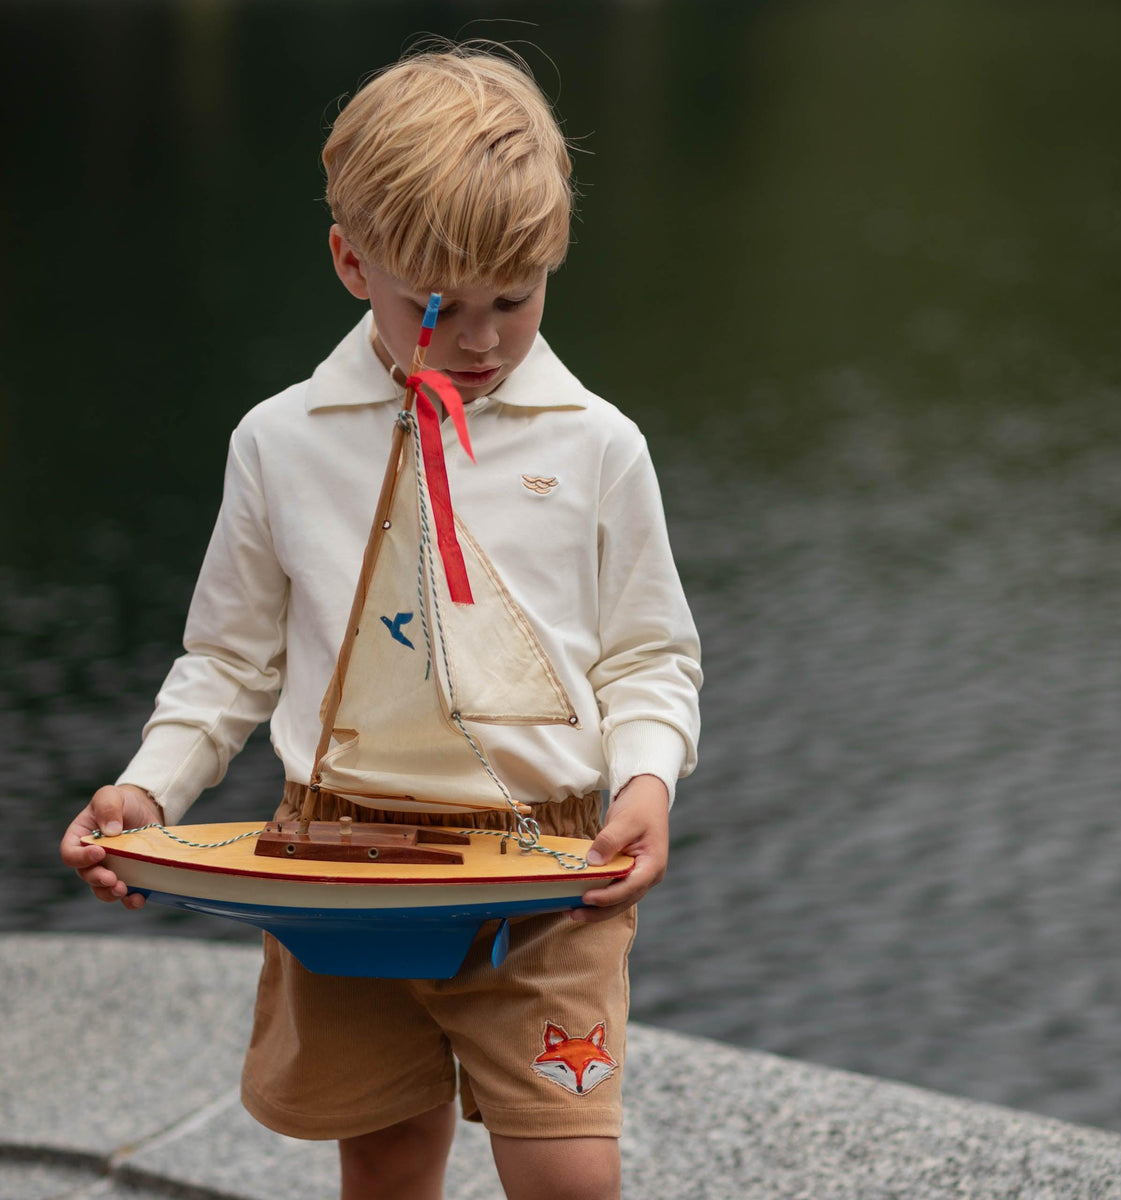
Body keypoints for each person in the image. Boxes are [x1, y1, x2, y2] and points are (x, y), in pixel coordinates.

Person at [60, 44, 700, 1200]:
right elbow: (228, 659)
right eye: (441, 308)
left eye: (518, 298)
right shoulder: (281, 442)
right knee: (389, 1169)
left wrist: (645, 780)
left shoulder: (599, 446)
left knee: (572, 1178)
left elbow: (650, 654)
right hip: (343, 866)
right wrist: (151, 790)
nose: (485, 341)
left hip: (545, 876)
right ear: (354, 262)